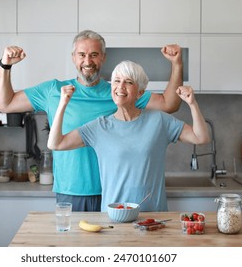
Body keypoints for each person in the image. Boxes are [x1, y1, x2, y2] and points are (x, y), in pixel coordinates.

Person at [0, 30, 183, 211]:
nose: (87, 61)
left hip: (115, 194)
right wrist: (5, 65)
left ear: (103, 58)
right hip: (72, 192)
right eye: (82, 54)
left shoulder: (119, 91)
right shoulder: (54, 91)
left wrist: (177, 64)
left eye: (94, 55)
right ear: (73, 57)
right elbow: (5, 104)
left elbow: (169, 104)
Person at [47, 60, 210, 212]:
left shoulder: (159, 121)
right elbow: (56, 144)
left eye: (129, 82)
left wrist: (192, 104)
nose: (120, 86)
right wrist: (62, 104)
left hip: (153, 218)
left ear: (140, 92)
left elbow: (201, 137)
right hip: (114, 217)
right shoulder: (99, 127)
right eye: (117, 81)